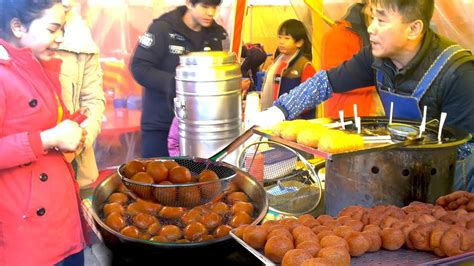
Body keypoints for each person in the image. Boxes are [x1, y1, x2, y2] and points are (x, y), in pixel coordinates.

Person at [254, 0, 474, 191]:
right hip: (400, 173)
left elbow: (463, 155)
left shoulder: (458, 74)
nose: (370, 28)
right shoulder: (376, 58)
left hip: (445, 186)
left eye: (381, 20)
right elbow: (326, 81)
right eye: (371, 17)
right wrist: (281, 109)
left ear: (414, 29)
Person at [0, 0, 87, 264]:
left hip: (64, 220)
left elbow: (44, 120)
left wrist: (72, 129)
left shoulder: (36, 65)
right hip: (27, 232)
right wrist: (49, 138)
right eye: (53, 29)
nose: (60, 39)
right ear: (17, 26)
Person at [130, 0, 228, 158]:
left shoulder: (216, 34)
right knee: (157, 179)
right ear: (189, 3)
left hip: (200, 128)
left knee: (198, 179)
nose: (211, 12)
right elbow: (139, 67)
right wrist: (176, 83)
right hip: (161, 124)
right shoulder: (162, 28)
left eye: (214, 7)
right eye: (205, 6)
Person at [55, 0, 105, 187]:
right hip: (26, 169)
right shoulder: (14, 28)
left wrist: (81, 138)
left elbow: (93, 98)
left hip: (77, 162)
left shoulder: (80, 35)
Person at [321, 0, 384, 118]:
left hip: (380, 119)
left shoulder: (385, 36)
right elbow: (332, 80)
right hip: (349, 119)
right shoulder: (339, 35)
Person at [260, 19, 316, 119]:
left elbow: (311, 98)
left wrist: (286, 110)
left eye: (287, 38)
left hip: (298, 123)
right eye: (280, 37)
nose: (281, 42)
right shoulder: (277, 64)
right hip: (278, 118)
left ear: (299, 43)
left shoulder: (305, 66)